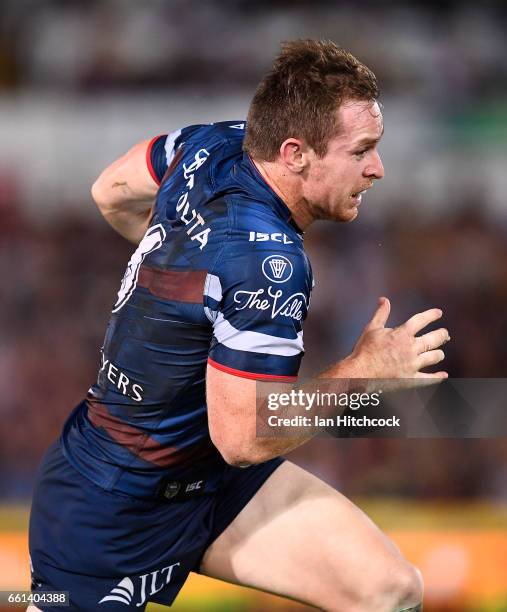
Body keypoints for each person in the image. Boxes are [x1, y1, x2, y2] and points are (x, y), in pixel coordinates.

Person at [29, 39, 449, 611]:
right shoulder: (264, 262)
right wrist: (366, 372)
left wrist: (181, 272)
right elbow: (245, 439)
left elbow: (112, 191)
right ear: (296, 151)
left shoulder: (214, 142)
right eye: (363, 151)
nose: (377, 168)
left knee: (388, 590)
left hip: (211, 486)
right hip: (112, 509)